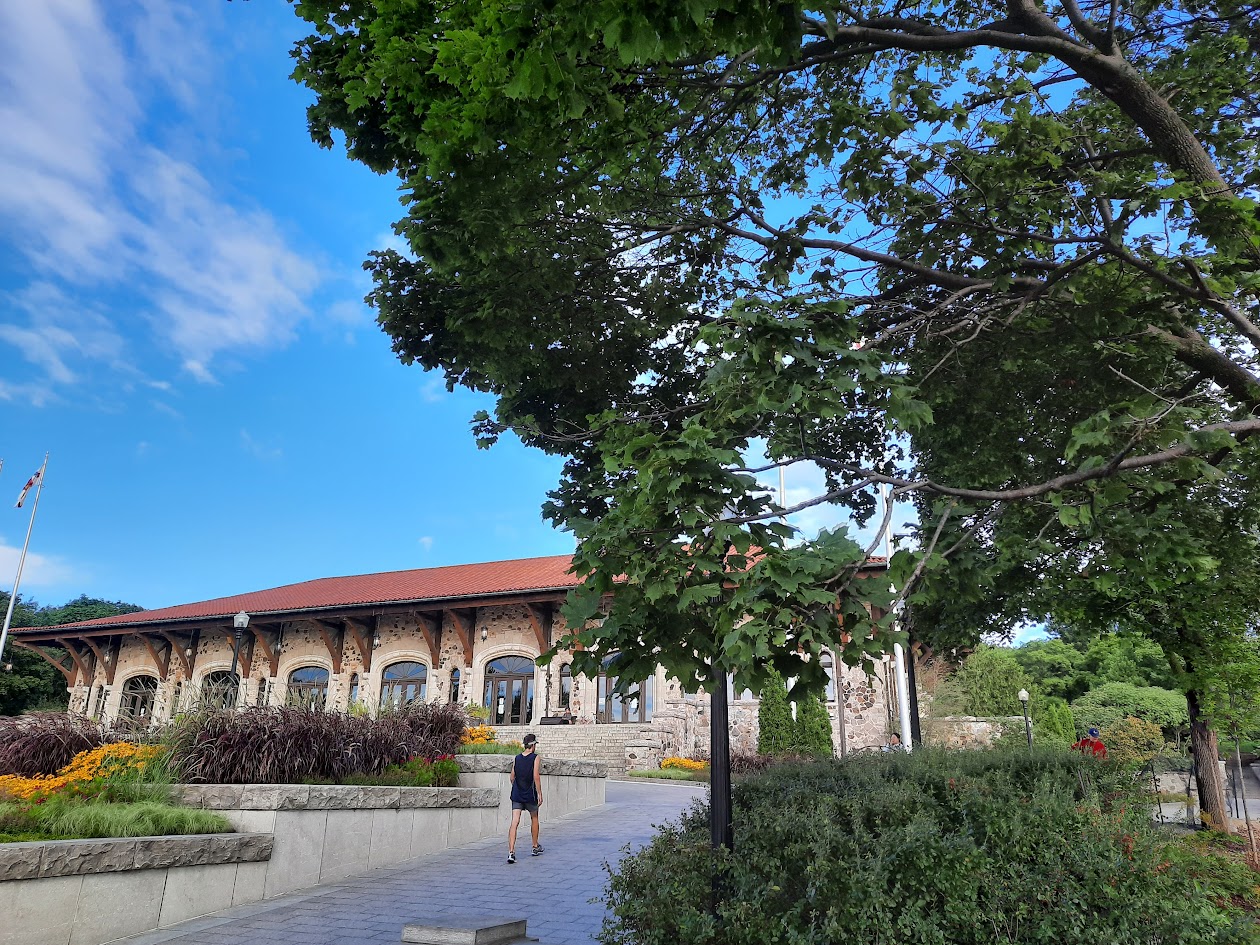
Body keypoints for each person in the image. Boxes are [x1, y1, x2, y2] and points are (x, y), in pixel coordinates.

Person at [507, 732, 543, 864]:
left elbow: (512, 776)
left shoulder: (517, 758)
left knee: (514, 821)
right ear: (533, 746)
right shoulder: (535, 757)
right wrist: (539, 793)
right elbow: (536, 776)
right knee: (534, 817)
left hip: (517, 794)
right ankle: (534, 846)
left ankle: (511, 852)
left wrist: (517, 786)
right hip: (529, 794)